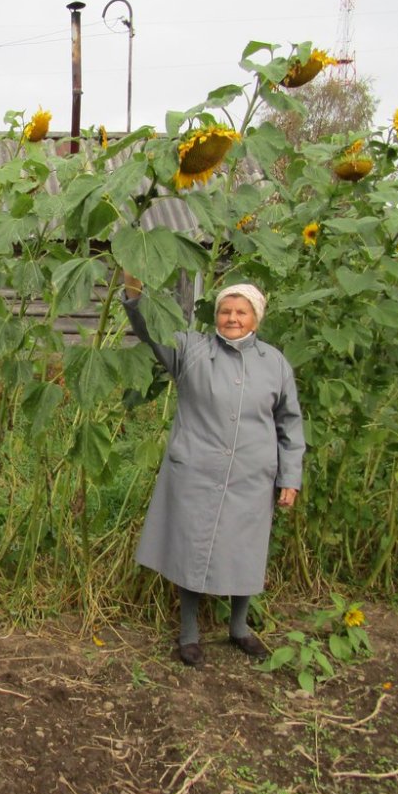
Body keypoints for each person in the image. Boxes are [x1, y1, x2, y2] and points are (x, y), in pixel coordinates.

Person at [122, 274, 305, 667]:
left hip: (252, 475)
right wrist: (135, 296)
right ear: (216, 316)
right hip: (198, 471)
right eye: (225, 310)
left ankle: (239, 628)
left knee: (245, 550)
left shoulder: (274, 363)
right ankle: (189, 634)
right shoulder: (191, 349)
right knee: (193, 549)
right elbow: (151, 331)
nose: (232, 318)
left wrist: (290, 476)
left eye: (241, 312)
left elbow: (289, 423)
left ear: (256, 318)